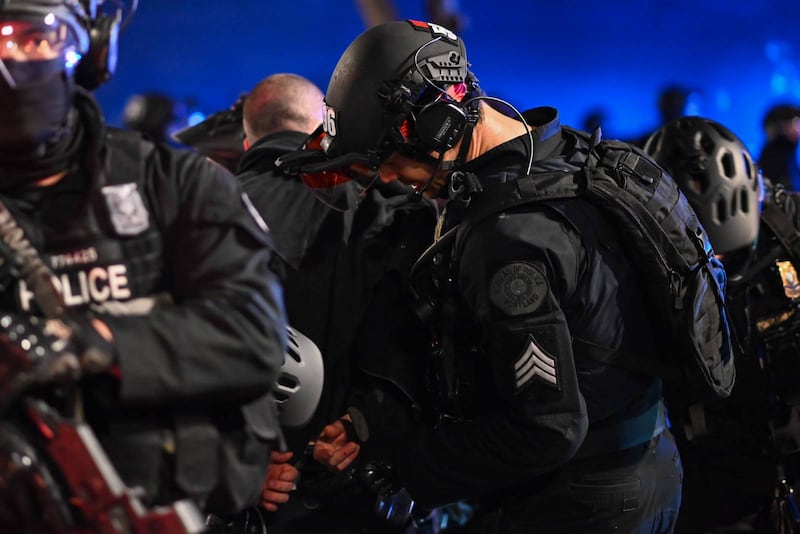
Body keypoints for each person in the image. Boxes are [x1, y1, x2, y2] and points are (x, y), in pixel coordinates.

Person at [294, 20, 685, 533]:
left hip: (584, 500)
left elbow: (548, 428)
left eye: (387, 159)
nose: (386, 178)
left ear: (439, 125)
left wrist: (405, 469)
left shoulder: (508, 240)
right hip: (647, 464)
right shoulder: (562, 155)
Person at [0, 1, 287, 532]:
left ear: (89, 47)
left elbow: (252, 333)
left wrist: (92, 342)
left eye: (32, 37)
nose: (10, 60)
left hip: (174, 507)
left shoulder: (173, 184)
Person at [232, 72, 438, 532]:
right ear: (320, 129)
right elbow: (419, 345)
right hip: (357, 488)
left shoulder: (197, 211)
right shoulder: (388, 204)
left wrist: (234, 467)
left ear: (247, 145)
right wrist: (363, 424)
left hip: (247, 494)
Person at [645, 116, 800, 533]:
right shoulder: (642, 258)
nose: (719, 267)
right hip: (715, 468)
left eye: (725, 256)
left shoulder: (791, 228)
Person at [758, 103, 800, 191]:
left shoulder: (790, 160)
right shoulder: (770, 164)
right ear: (778, 127)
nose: (797, 131)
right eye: (795, 123)